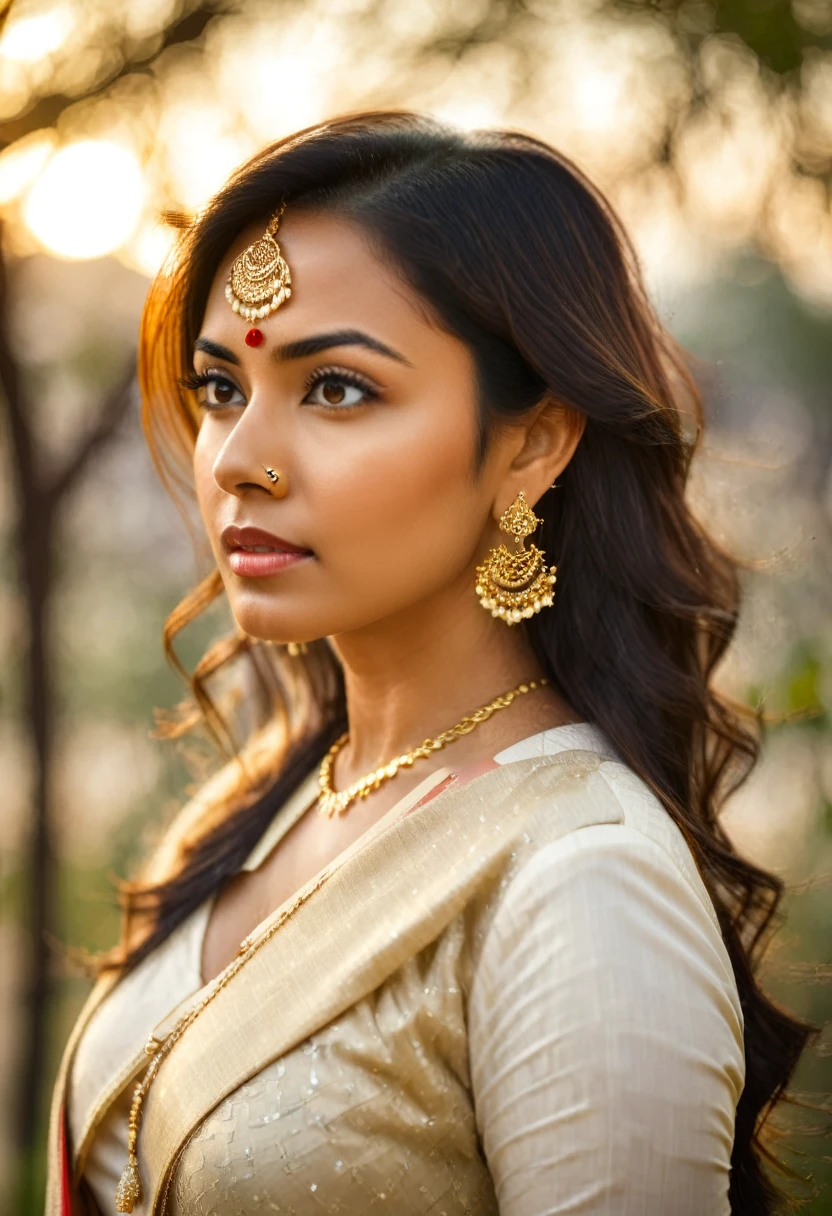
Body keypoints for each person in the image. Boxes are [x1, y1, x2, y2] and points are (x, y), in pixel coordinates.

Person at [45, 111, 814, 1216]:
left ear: (532, 443)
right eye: (221, 388)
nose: (241, 463)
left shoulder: (583, 884)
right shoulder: (260, 801)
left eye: (337, 389)